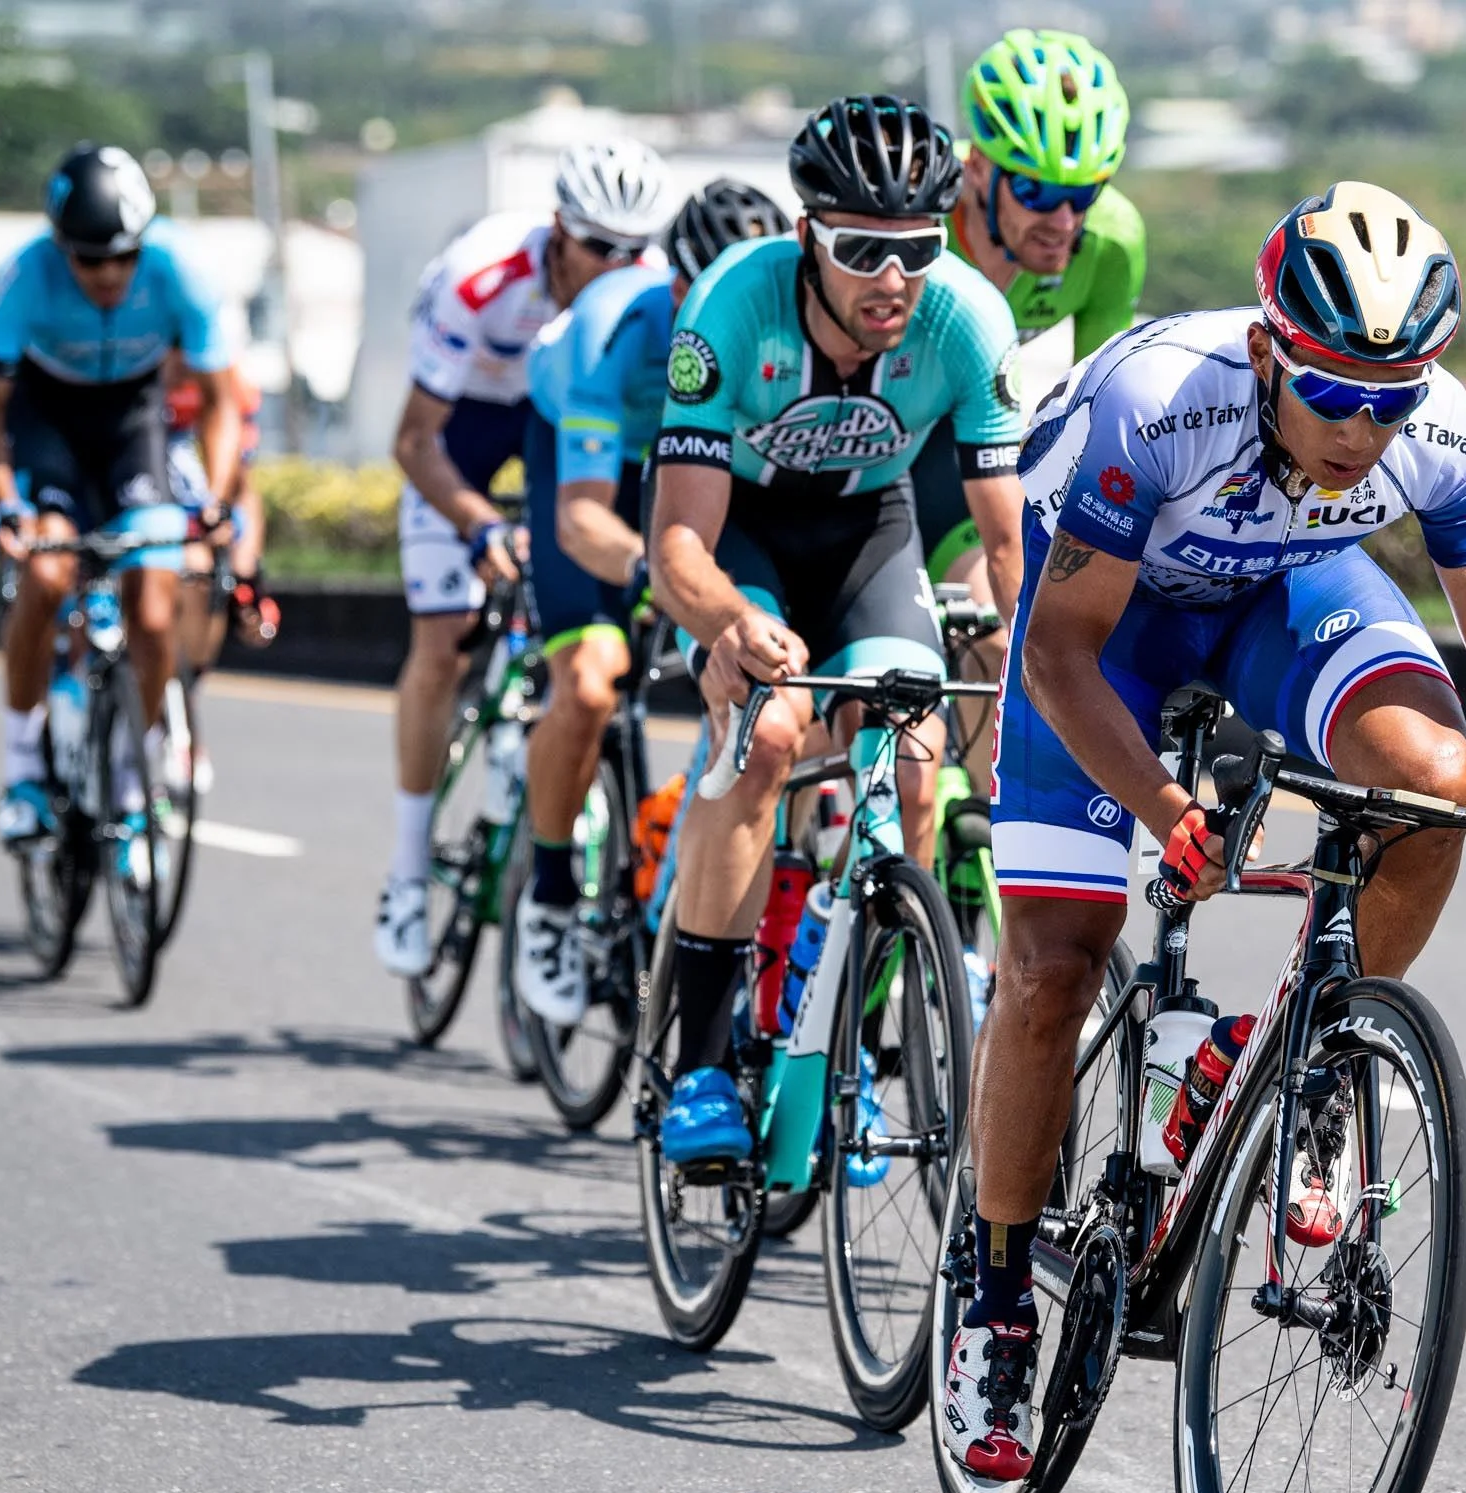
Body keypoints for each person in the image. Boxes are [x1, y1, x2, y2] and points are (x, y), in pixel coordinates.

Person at [939, 182, 1466, 1481]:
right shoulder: (1157, 403)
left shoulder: (1437, 432)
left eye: (1395, 393)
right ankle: (998, 1293)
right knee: (1052, 966)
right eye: (1334, 392)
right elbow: (1062, 654)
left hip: (1283, 588)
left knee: (1426, 776)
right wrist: (1166, 809)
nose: (1367, 427)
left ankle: (1303, 1050)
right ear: (1267, 351)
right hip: (1113, 621)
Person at [648, 95, 1025, 1167]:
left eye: (917, 250)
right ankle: (702, 1064)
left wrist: (1032, 669)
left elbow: (1007, 546)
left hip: (870, 529)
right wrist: (728, 623)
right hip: (745, 540)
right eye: (863, 251)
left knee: (911, 757)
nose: (893, 280)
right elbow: (676, 542)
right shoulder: (732, 303)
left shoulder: (965, 320)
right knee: (767, 736)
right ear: (807, 235)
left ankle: (847, 1045)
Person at [372, 138, 665, 979]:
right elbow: (413, 439)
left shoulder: (644, 300)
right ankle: (405, 866)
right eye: (597, 247)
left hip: (571, 425)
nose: (615, 265)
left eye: (632, 250)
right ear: (556, 232)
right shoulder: (482, 280)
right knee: (443, 638)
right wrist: (474, 527)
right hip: (467, 424)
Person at [510, 176, 790, 1025]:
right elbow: (583, 518)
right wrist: (658, 574)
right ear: (680, 289)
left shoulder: (772, 331)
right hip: (600, 473)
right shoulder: (610, 330)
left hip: (694, 472)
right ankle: (551, 893)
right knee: (593, 680)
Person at [0, 143, 242, 848]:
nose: (110, 273)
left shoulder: (180, 267)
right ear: (63, 248)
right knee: (48, 570)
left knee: (154, 607)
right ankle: (24, 766)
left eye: (124, 256)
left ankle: (129, 773)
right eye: (91, 260)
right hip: (47, 421)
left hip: (132, 422)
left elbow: (221, 401)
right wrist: (6, 502)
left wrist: (214, 496)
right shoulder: (22, 277)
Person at [910, 28, 1143, 728]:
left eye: (1085, 193)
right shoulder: (919, 223)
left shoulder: (1111, 243)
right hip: (887, 442)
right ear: (977, 167)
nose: (1064, 221)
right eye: (1038, 190)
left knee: (1005, 629)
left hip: (981, 448)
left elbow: (1106, 410)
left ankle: (975, 822)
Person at [162, 353, 271, 794]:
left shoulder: (228, 382)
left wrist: (248, 583)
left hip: (189, 507)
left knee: (201, 572)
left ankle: (181, 703)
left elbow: (244, 491)